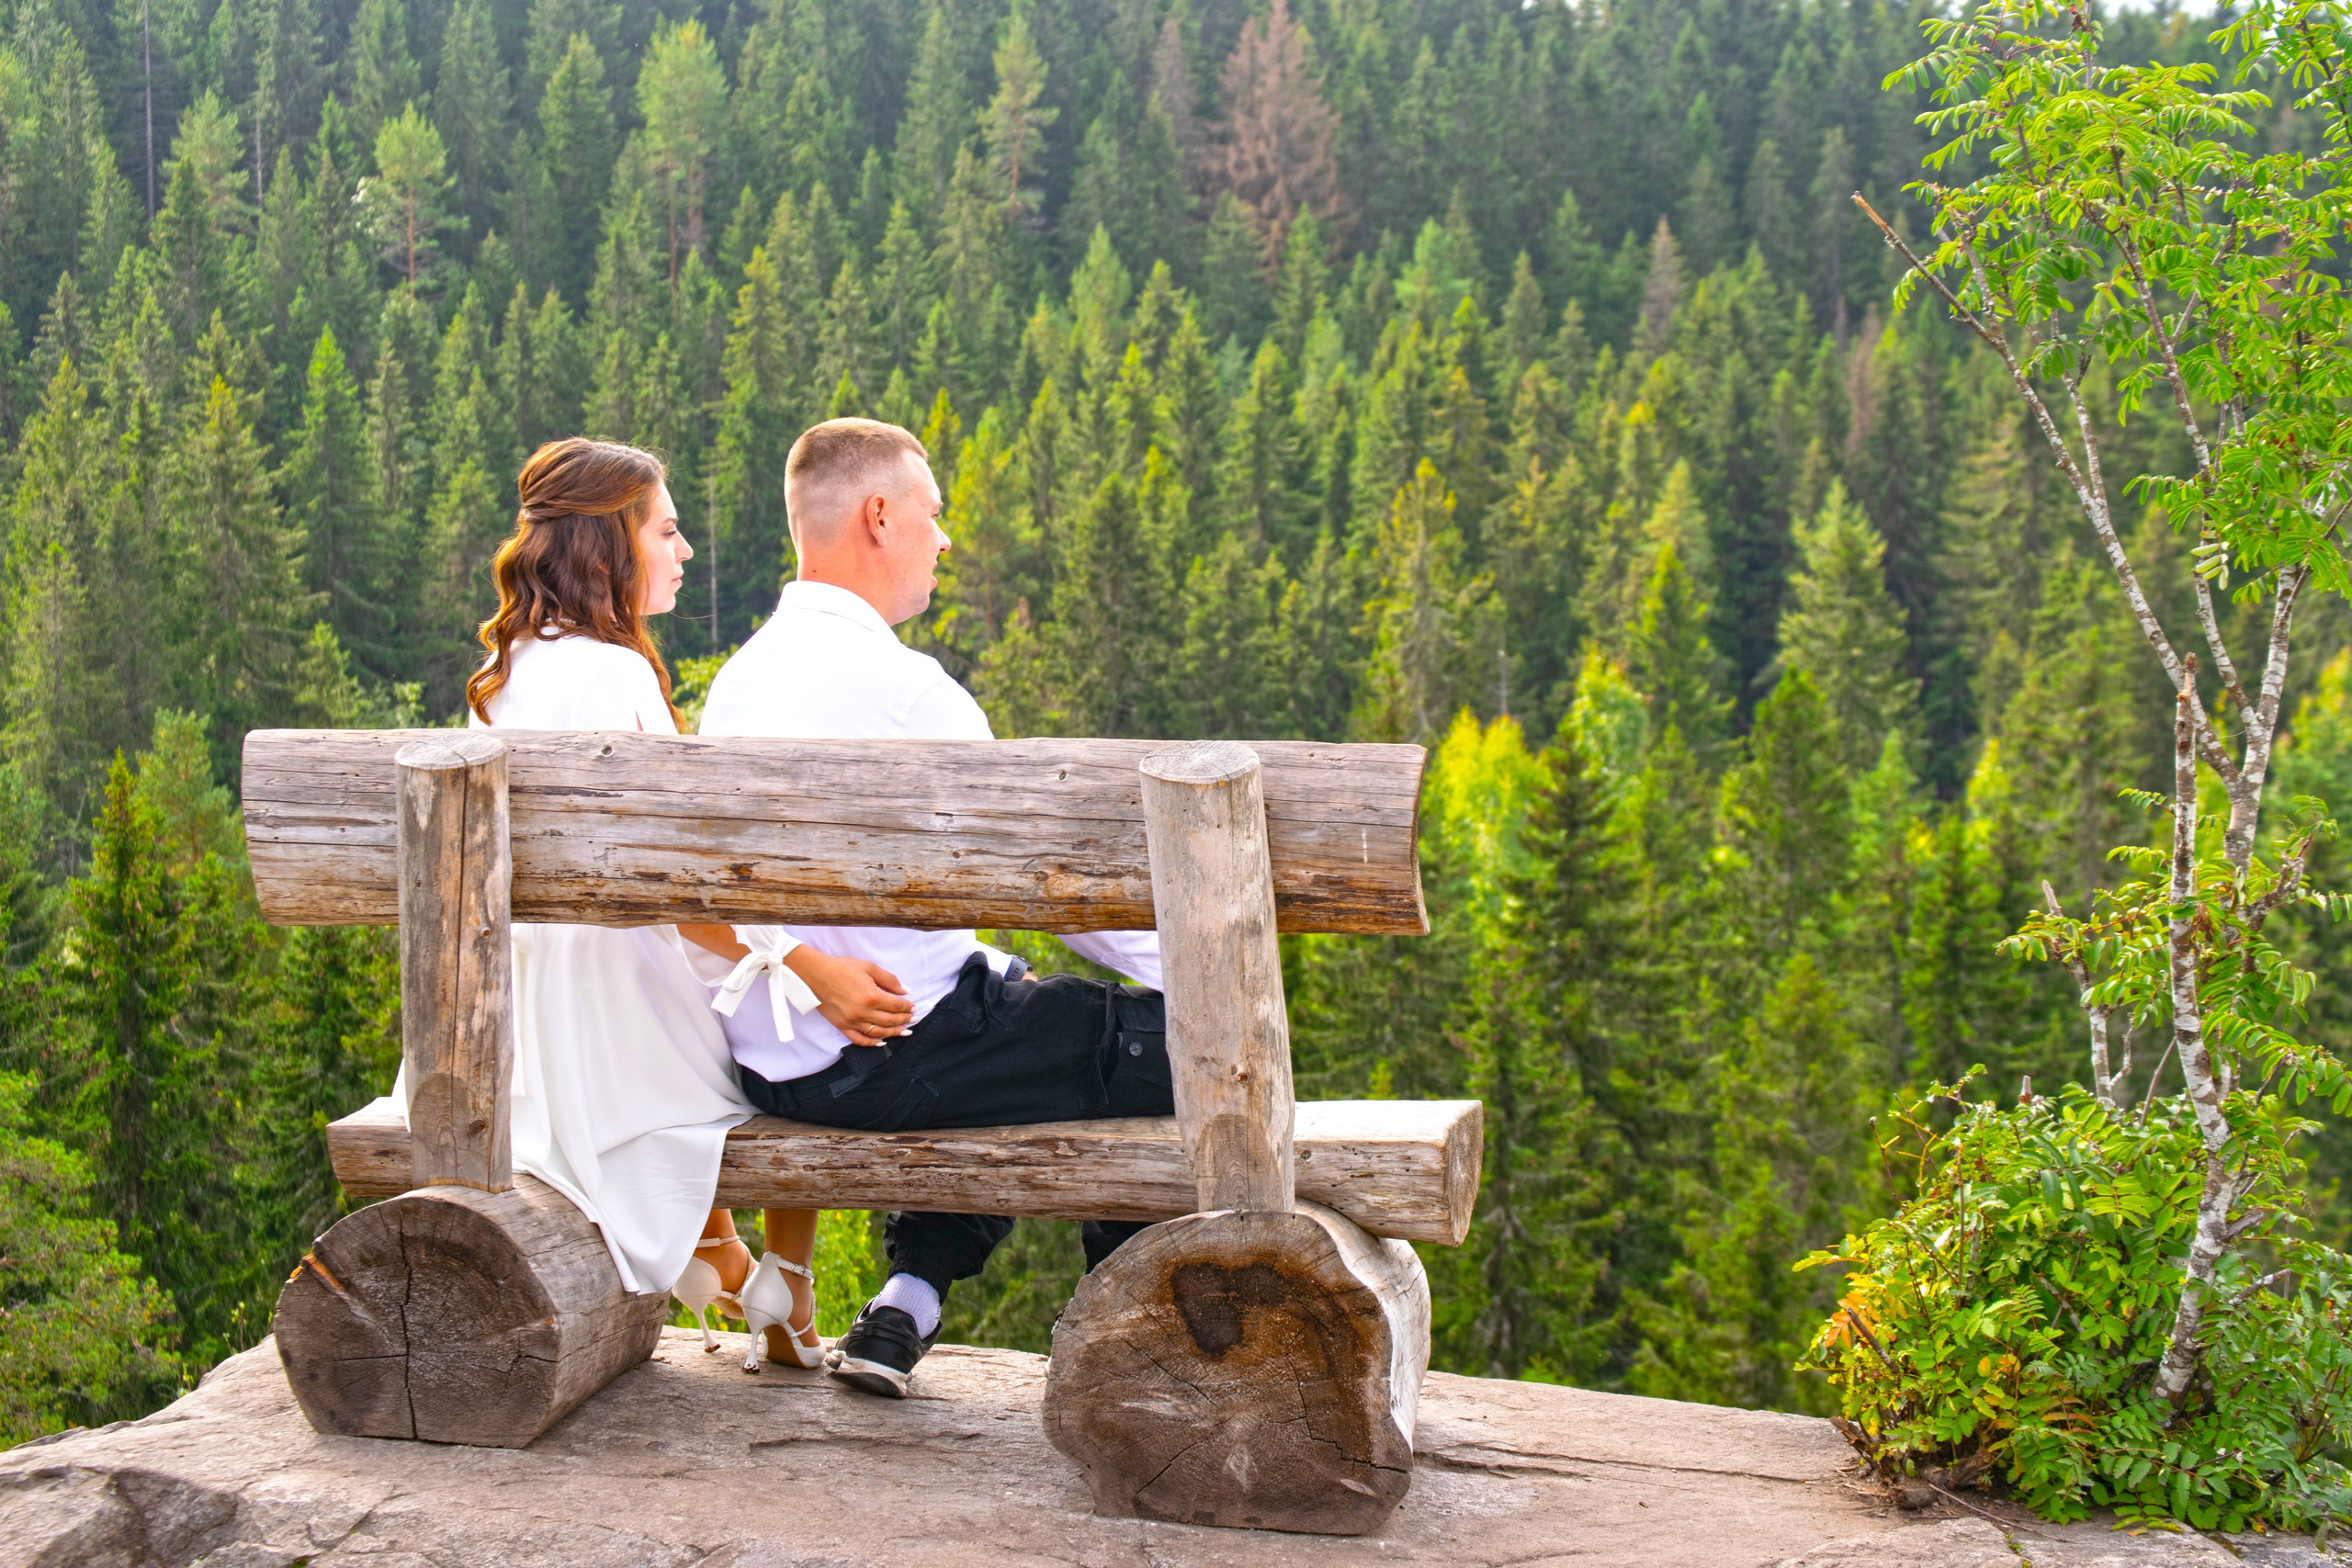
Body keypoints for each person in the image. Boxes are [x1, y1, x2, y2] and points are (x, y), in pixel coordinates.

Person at [697, 417, 1174, 1399]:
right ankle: (1121, 1350)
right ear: (879, 516)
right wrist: (1185, 974)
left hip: (776, 1064)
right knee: (1158, 1047)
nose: (944, 539)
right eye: (933, 513)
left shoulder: (739, 684)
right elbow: (1045, 882)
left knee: (1011, 1021)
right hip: (887, 1053)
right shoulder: (911, 696)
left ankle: (907, 1301)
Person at [443, 437, 864, 1367]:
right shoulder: (617, 673)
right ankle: (777, 1277)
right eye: (666, 531)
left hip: (525, 1019)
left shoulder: (502, 675)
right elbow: (674, 892)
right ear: (609, 545)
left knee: (764, 986)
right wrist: (801, 961)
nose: (683, 552)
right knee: (813, 1028)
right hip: (617, 1017)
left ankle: (724, 1260)